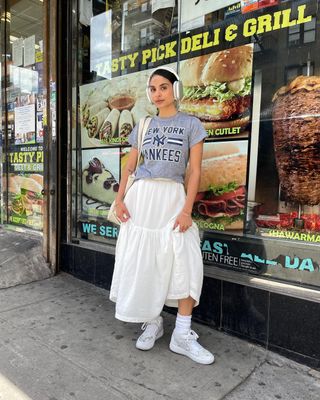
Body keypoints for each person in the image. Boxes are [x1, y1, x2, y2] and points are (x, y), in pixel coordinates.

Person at [109, 66, 214, 365]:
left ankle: (182, 333)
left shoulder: (192, 125)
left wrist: (187, 210)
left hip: (173, 199)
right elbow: (129, 168)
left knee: (186, 260)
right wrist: (119, 200)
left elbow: (194, 171)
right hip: (141, 200)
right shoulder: (142, 125)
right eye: (153, 88)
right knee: (144, 263)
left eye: (164, 87)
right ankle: (152, 321)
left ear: (175, 90)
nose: (158, 93)